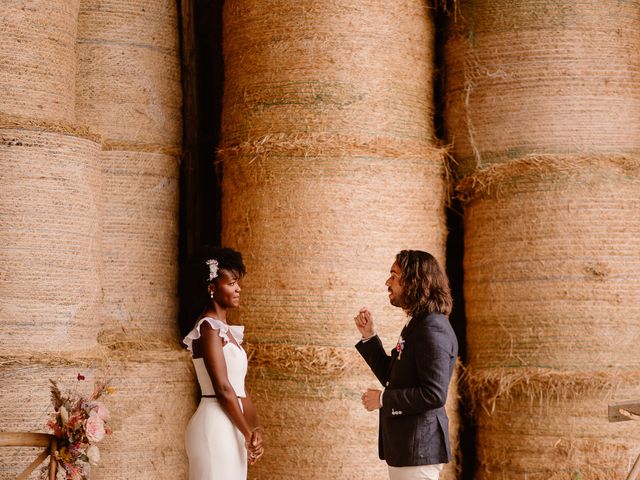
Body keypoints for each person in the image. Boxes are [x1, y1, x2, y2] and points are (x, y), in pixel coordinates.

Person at [354, 250, 458, 480]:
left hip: (419, 448)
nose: (387, 282)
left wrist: (383, 400)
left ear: (414, 280)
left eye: (394, 275)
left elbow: (434, 394)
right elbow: (394, 377)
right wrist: (369, 337)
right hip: (407, 448)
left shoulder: (433, 328)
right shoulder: (418, 325)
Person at [182, 247, 263, 479]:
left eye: (238, 282)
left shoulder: (227, 332)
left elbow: (240, 389)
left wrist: (255, 430)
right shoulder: (207, 328)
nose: (238, 288)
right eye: (231, 283)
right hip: (215, 427)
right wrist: (247, 433)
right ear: (211, 288)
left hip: (233, 427)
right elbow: (222, 387)